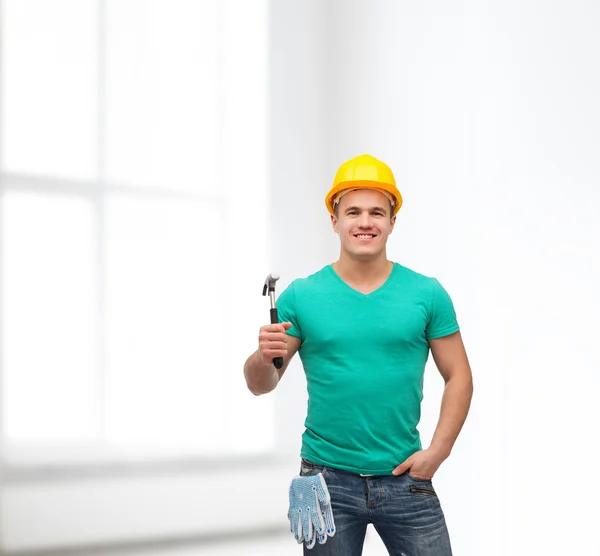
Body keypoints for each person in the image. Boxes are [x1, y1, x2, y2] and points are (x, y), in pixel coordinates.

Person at [243, 154, 473, 556]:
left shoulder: (427, 293)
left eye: (376, 212)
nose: (365, 222)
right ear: (335, 220)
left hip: (406, 478)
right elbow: (261, 384)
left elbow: (459, 376)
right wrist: (264, 357)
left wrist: (438, 451)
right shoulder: (302, 295)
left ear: (392, 221)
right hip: (326, 480)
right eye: (353, 212)